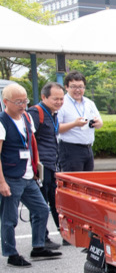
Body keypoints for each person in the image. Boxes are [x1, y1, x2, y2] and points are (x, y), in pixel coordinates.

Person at [0, 83, 61, 267]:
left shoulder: (26, 117)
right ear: (5, 102)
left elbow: (32, 144)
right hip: (11, 176)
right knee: (9, 219)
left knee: (42, 209)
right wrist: (2, 182)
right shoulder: (2, 122)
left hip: (28, 175)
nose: (22, 105)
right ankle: (11, 253)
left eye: (25, 101)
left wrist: (36, 168)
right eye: (18, 101)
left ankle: (38, 246)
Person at [27, 82, 64, 250]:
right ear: (44, 97)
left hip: (51, 163)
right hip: (41, 165)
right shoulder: (36, 112)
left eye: (61, 99)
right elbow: (29, 139)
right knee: (41, 204)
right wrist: (34, 165)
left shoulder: (52, 113)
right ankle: (42, 239)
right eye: (55, 98)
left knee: (53, 201)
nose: (59, 102)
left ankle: (59, 235)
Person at [57, 71, 103, 171]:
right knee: (74, 183)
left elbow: (100, 123)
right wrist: (74, 124)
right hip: (70, 149)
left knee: (88, 182)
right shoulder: (61, 103)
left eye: (81, 87)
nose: (78, 90)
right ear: (66, 87)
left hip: (88, 149)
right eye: (73, 86)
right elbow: (56, 128)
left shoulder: (89, 103)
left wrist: (98, 123)